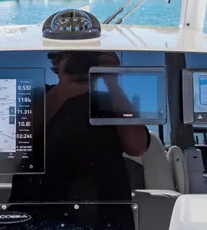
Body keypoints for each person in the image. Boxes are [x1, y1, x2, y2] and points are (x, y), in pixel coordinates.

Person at [11, 51, 150, 202]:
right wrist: (60, 93)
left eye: (89, 56)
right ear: (56, 64)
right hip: (37, 209)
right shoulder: (36, 96)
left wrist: (112, 82)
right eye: (68, 56)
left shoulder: (114, 102)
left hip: (105, 212)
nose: (80, 63)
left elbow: (137, 147)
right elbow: (14, 141)